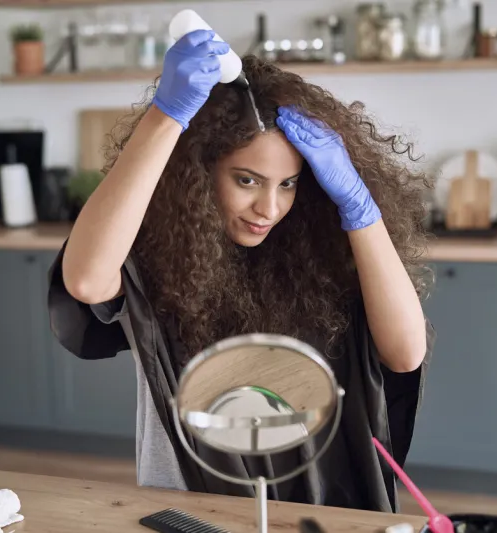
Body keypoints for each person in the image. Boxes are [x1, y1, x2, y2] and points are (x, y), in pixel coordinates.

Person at [48, 29, 436, 513]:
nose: (269, 208)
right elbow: (85, 282)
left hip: (318, 506)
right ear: (199, 169)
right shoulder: (154, 248)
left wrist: (359, 206)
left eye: (288, 183)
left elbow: (404, 355)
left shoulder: (323, 251)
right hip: (191, 501)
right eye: (247, 180)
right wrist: (165, 117)